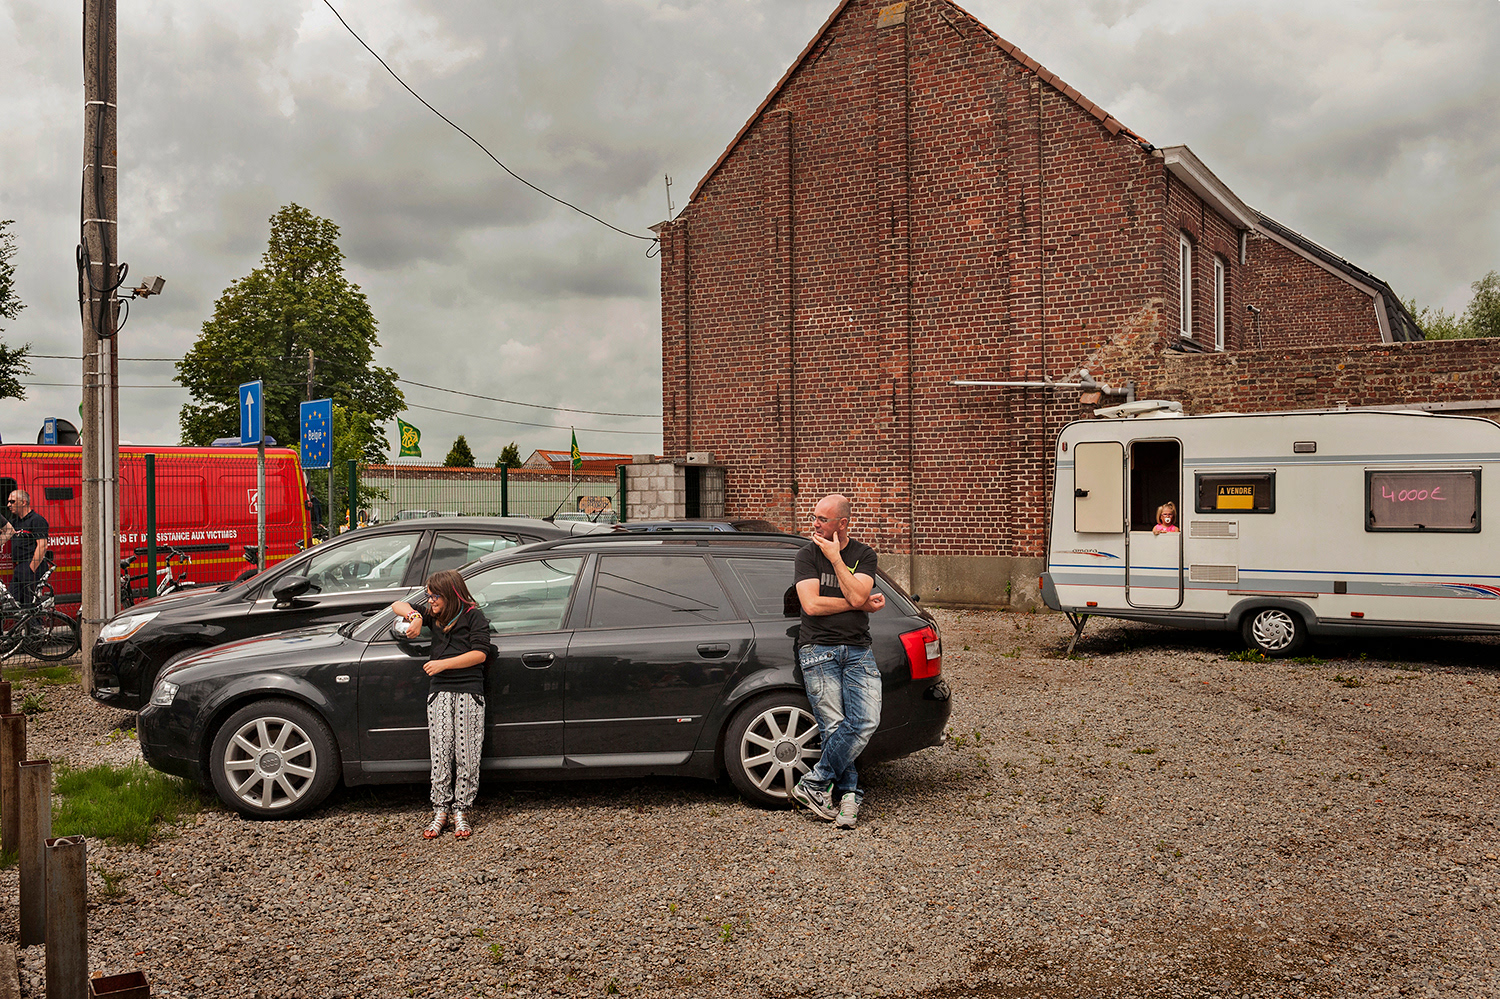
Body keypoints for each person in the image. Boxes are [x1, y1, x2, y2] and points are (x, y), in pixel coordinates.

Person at [792, 493, 886, 829]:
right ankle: (849, 797)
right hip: (818, 650)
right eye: (814, 516)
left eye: (821, 519)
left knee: (865, 722)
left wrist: (835, 559)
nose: (814, 524)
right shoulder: (806, 555)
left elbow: (860, 593)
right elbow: (813, 606)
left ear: (842, 523)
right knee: (834, 727)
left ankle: (815, 783)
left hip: (858, 650)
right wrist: (858, 604)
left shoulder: (864, 554)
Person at [390, 569, 495, 840]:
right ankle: (440, 809)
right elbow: (396, 604)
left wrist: (442, 664)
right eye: (428, 596)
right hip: (440, 693)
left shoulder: (473, 616)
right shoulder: (433, 614)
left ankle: (461, 809)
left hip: (469, 691)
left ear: (449, 594)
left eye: (434, 596)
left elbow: (480, 654)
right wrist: (413, 616)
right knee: (440, 752)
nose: (430, 601)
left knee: (467, 753)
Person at [0, 489, 50, 606]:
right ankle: (24, 624)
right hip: (19, 568)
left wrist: (31, 569)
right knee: (12, 604)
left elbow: (42, 546)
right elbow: (6, 531)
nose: (8, 505)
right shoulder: (15, 522)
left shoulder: (37, 520)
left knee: (31, 604)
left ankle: (36, 625)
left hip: (32, 566)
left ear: (23, 502)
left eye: (12, 502)